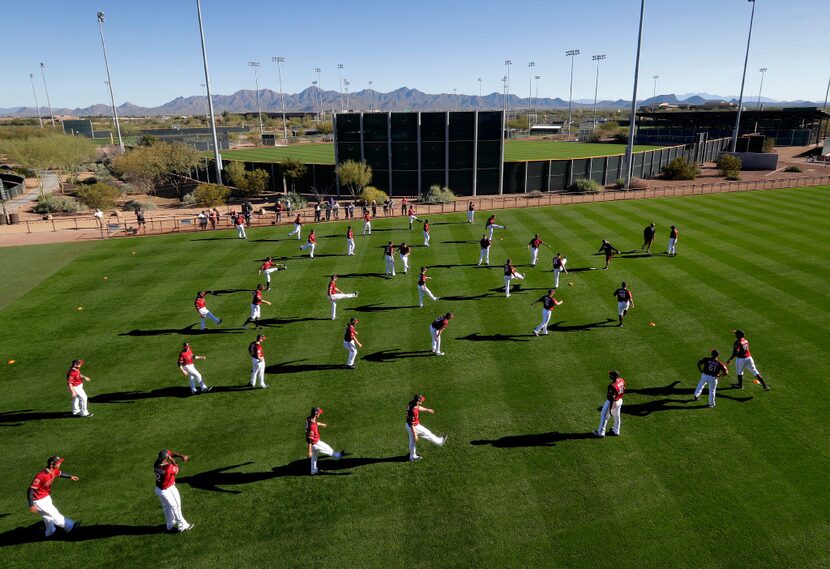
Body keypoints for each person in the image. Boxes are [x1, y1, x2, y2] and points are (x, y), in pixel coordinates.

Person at [28, 455, 80, 537]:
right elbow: (31, 490)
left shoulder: (54, 470)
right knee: (54, 514)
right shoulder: (41, 476)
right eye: (58, 463)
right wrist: (31, 505)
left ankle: (50, 532)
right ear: (52, 465)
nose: (60, 464)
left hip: (46, 497)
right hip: (38, 501)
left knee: (48, 516)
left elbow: (60, 473)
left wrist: (70, 477)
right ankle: (70, 526)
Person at [154, 450, 194, 532]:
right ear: (166, 458)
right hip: (167, 490)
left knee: (166, 507)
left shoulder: (156, 463)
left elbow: (169, 453)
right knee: (176, 506)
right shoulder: (169, 468)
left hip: (158, 489)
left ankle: (169, 525)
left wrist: (180, 455)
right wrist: (172, 460)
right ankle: (183, 525)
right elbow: (177, 468)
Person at [406, 394, 447, 461]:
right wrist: (415, 434)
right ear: (418, 401)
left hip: (407, 425)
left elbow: (418, 407)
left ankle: (412, 456)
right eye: (421, 400)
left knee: (412, 441)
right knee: (427, 432)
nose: (422, 401)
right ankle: (439, 442)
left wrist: (427, 410)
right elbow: (412, 423)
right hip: (414, 427)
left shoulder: (412, 402)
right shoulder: (413, 410)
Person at [306, 407, 345, 475]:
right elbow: (310, 439)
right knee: (327, 448)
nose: (320, 414)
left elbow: (315, 423)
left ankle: (313, 471)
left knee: (314, 457)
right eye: (319, 413)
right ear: (316, 414)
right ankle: (337, 455)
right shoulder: (312, 426)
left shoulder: (309, 419)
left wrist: (321, 424)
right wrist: (309, 451)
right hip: (315, 443)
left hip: (313, 444)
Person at [593, 370, 626, 437]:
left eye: (611, 374)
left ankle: (601, 432)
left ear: (614, 376)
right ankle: (616, 431)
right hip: (620, 400)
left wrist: (611, 408)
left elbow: (612, 398)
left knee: (604, 415)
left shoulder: (612, 386)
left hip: (612, 402)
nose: (610, 375)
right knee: (617, 415)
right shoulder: (621, 380)